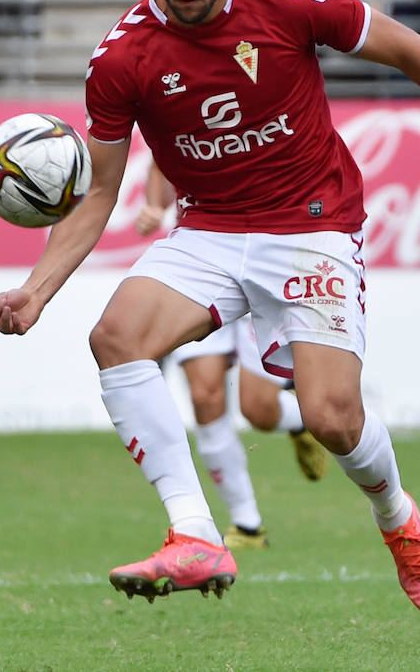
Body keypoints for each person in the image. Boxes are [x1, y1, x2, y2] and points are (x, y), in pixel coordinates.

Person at [0, 0, 420, 613]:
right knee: (116, 337)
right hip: (210, 228)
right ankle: (194, 534)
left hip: (312, 223)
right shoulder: (122, 59)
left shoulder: (289, 5)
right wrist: (36, 289)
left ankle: (398, 521)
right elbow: (98, 192)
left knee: (331, 417)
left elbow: (410, 50)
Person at [136, 167, 328, 554]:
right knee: (205, 396)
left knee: (257, 408)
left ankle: (304, 420)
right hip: (202, 264)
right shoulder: (177, 109)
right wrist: (154, 203)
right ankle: (248, 524)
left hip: (264, 261)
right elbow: (160, 160)